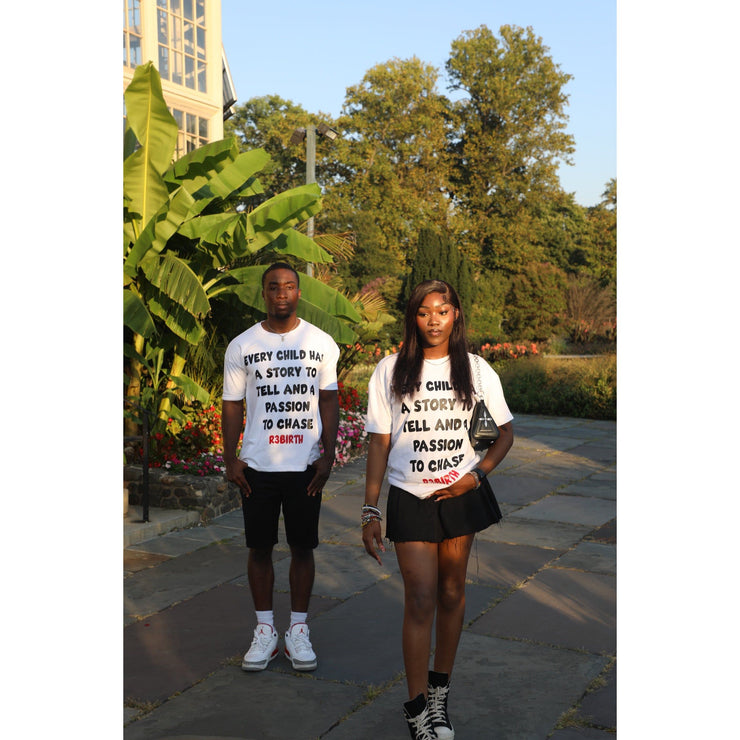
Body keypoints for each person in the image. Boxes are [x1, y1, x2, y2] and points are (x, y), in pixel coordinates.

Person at [362, 279, 514, 740]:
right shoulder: (390, 371)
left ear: (456, 316)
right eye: (424, 312)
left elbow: (502, 435)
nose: (433, 320)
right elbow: (379, 442)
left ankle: (439, 696)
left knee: (451, 592)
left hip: (460, 494)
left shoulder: (477, 370)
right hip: (410, 494)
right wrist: (370, 509)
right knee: (422, 596)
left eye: (442, 311)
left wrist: (477, 475)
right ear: (414, 317)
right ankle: (416, 710)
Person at [222, 262, 340, 673]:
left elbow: (329, 400)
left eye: (289, 286)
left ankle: (299, 631)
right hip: (258, 465)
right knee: (259, 548)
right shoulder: (242, 345)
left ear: (298, 292)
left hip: (305, 464)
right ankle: (265, 631)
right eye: (274, 287)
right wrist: (229, 456)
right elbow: (232, 404)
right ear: (264, 294)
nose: (282, 294)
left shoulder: (321, 342)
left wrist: (327, 455)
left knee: (302, 547)